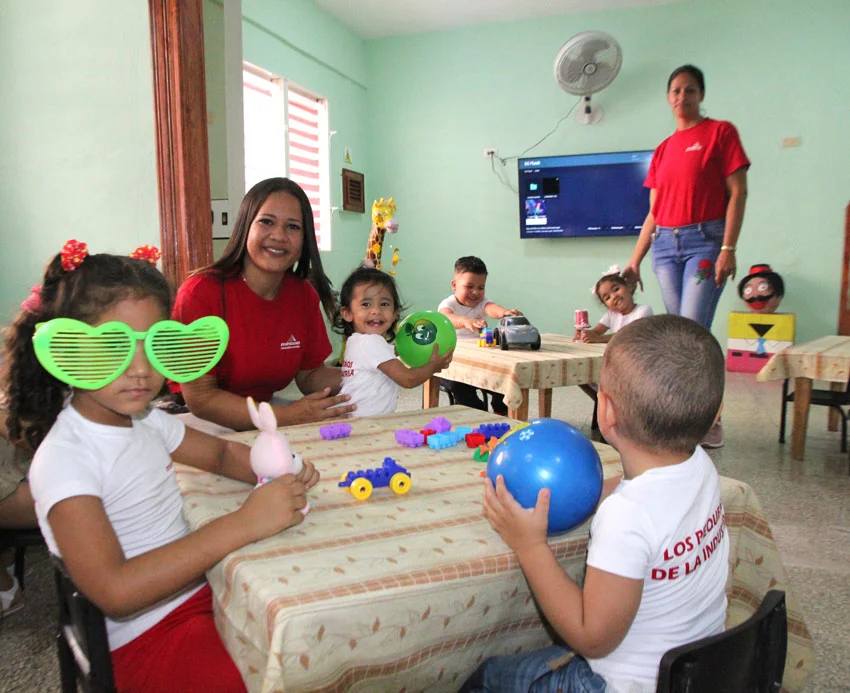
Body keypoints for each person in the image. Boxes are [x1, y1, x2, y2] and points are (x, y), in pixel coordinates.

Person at [2, 242, 319, 692]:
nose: (140, 371)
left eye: (153, 347)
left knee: (311, 632)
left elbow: (220, 454)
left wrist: (281, 465)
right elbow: (115, 589)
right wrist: (245, 522)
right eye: (113, 348)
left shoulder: (146, 421)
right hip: (147, 636)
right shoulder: (66, 458)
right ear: (71, 348)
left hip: (202, 591)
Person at [463, 314, 730, 693]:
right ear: (713, 412)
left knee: (488, 678)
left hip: (621, 684)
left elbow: (592, 637)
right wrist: (581, 492)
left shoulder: (626, 517)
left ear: (606, 410)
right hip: (697, 672)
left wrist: (530, 545)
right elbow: (636, 488)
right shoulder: (699, 465)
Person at [623, 64, 749, 448]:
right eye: (675, 91)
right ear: (668, 98)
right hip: (664, 247)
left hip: (704, 243)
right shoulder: (664, 149)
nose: (682, 97)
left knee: (695, 332)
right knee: (679, 338)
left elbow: (738, 193)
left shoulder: (720, 133)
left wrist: (728, 247)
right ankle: (682, 420)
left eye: (690, 90)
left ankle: (709, 419)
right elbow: (654, 212)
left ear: (701, 95)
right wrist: (635, 259)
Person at [171, 177, 356, 432]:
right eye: (267, 222)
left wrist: (375, 370)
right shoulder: (200, 293)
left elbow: (310, 376)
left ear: (305, 240)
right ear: (246, 226)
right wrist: (288, 416)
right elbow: (201, 399)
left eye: (293, 227)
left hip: (266, 412)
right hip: (197, 420)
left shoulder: (303, 295)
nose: (279, 236)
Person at [332, 266, 453, 417]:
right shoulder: (371, 343)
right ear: (347, 313)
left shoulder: (355, 342)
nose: (376, 311)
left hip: (358, 418)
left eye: (384, 304)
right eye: (366, 304)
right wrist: (432, 366)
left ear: (394, 313)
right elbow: (408, 379)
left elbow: (386, 355)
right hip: (366, 422)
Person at [438, 256, 522, 416]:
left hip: (480, 360)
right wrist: (464, 321)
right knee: (463, 390)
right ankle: (476, 412)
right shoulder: (448, 304)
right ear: (454, 285)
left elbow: (491, 308)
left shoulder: (482, 302)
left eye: (481, 287)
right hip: (455, 364)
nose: (475, 292)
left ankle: (501, 409)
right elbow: (446, 318)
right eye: (469, 286)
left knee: (501, 376)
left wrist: (505, 313)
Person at [574, 266, 654, 344]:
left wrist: (598, 339)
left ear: (629, 286)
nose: (614, 296)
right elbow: (595, 332)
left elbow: (630, 335)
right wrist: (583, 335)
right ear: (606, 306)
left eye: (616, 289)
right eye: (608, 298)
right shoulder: (611, 315)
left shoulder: (643, 310)